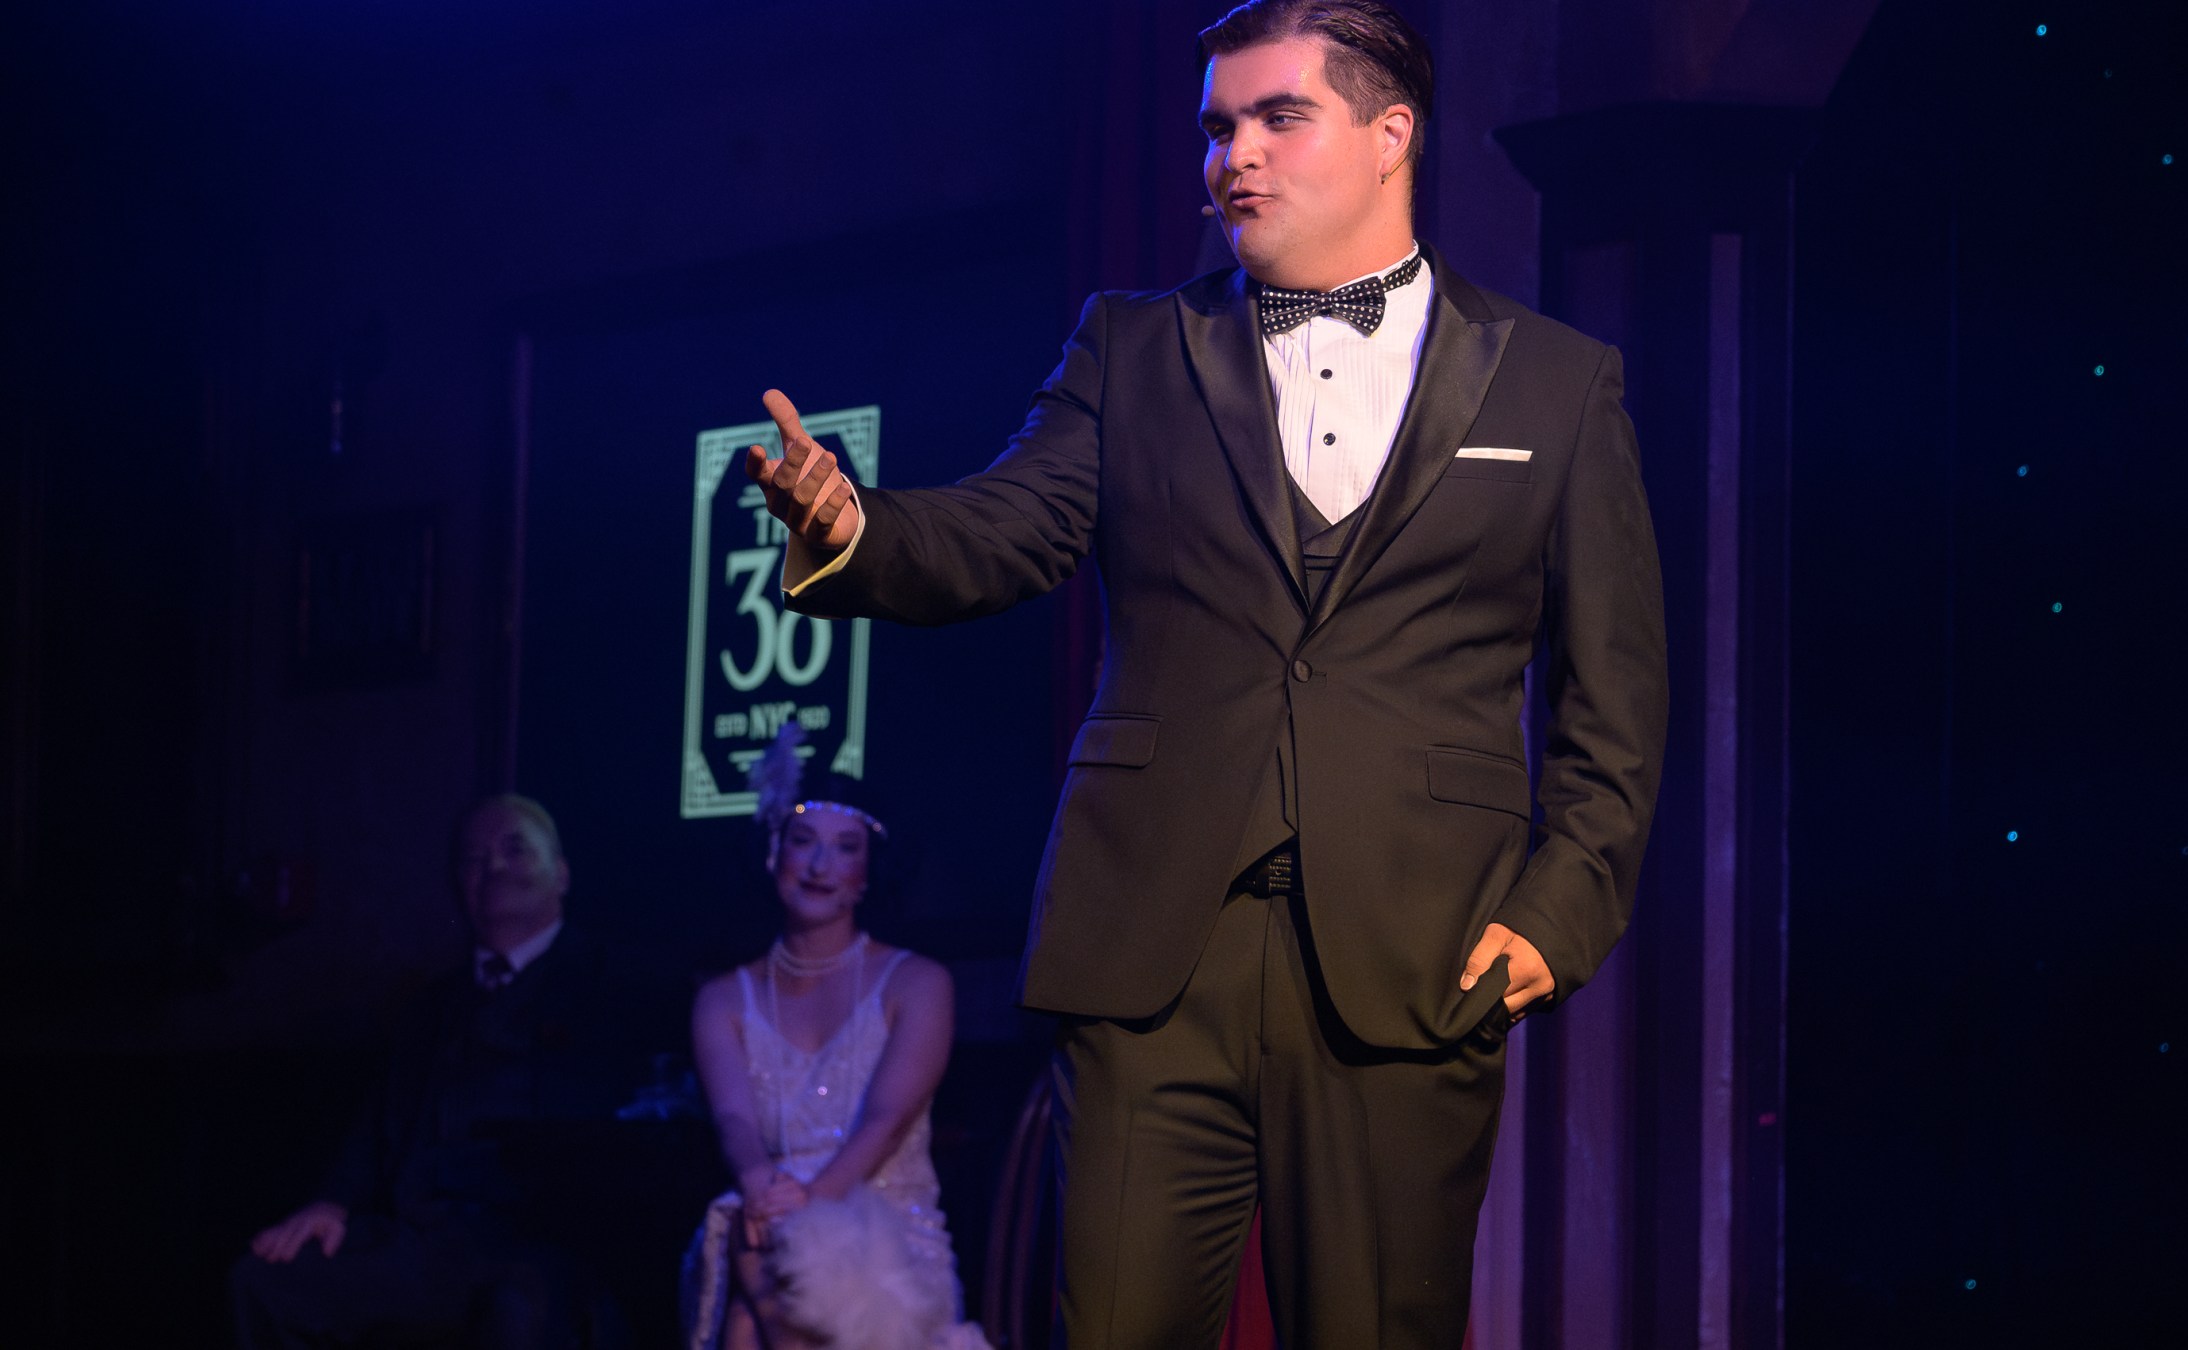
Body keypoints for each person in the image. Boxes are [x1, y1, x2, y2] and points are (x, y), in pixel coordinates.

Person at [745, 2, 1668, 1343]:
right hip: (1147, 950)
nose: (1233, 153)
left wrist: (1559, 911)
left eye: (1277, 116)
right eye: (1217, 126)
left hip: (1414, 956)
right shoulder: (1132, 346)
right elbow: (1004, 530)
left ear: (1390, 131)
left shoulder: (1557, 387)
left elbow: (1618, 701)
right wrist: (857, 527)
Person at [232, 795, 667, 1349]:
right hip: (423, 1238)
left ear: (560, 873)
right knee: (268, 1281)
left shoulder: (618, 986)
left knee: (522, 1310)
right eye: (475, 857)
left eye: (515, 849)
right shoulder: (428, 1007)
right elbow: (375, 1124)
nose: (494, 866)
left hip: (540, 1241)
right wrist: (332, 1201)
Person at [681, 727, 988, 1350]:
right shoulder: (723, 1000)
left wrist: (811, 1205)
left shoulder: (918, 983)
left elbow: (886, 1120)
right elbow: (735, 1119)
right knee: (748, 1235)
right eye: (803, 842)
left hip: (892, 1229)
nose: (820, 867)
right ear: (774, 853)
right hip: (768, 1218)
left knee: (759, 1292)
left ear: (867, 870)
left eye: (844, 848)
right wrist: (759, 1184)